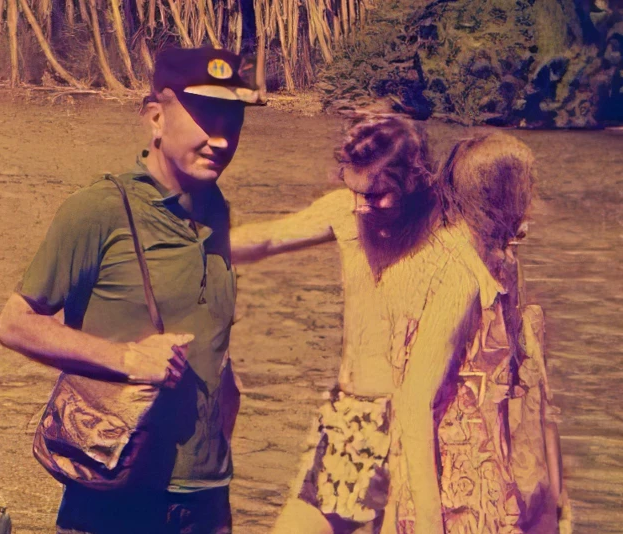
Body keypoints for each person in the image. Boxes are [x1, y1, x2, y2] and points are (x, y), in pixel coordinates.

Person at [0, 46, 260, 534]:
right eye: (206, 117)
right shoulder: (99, 210)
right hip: (114, 494)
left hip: (207, 501)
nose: (222, 139)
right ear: (155, 118)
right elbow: (14, 325)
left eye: (234, 120)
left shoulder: (217, 208)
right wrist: (127, 360)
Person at [229, 115, 444, 533]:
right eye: (355, 190)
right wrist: (184, 247)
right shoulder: (347, 211)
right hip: (350, 416)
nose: (363, 205)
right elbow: (270, 238)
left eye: (378, 195)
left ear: (414, 178)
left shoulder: (445, 230)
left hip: (417, 424)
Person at [385, 132, 566, 534]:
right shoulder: (457, 278)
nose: (534, 203)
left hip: (477, 473)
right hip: (451, 493)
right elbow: (413, 400)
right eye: (528, 190)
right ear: (501, 197)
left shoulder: (481, 257)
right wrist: (431, 519)